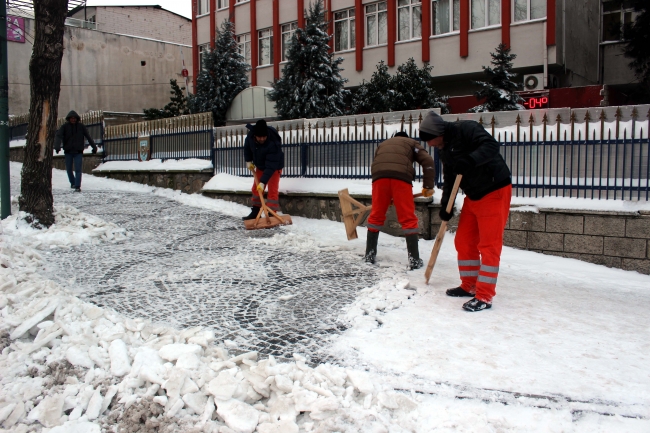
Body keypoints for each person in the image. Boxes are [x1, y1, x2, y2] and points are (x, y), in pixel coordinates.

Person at [419, 111, 512, 312]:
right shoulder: (444, 149)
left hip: (494, 189)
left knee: (489, 245)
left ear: (439, 132)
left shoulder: (467, 129)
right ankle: (469, 285)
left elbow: (491, 146)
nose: (431, 145)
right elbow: (451, 179)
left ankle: (485, 295)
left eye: (431, 140)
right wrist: (446, 207)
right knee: (464, 241)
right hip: (474, 194)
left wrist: (470, 159)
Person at [365, 131, 436, 270]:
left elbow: (380, 162)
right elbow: (428, 161)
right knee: (408, 217)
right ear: (406, 138)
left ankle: (369, 255)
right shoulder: (411, 143)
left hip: (379, 178)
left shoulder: (383, 144)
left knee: (376, 215)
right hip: (401, 179)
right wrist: (428, 186)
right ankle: (414, 260)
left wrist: (388, 196)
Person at [242, 119, 285, 220]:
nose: (261, 139)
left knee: (272, 190)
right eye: (259, 137)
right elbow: (247, 148)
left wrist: (263, 182)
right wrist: (248, 161)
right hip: (260, 166)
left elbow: (271, 166)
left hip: (274, 167)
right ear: (255, 135)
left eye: (263, 137)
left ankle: (271, 214)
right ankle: (256, 211)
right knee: (256, 189)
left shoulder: (273, 143)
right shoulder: (250, 137)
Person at [54, 111, 98, 192]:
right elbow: (58, 135)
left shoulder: (81, 127)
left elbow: (88, 136)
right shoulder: (64, 127)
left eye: (74, 118)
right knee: (69, 169)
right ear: (69, 119)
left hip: (78, 151)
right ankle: (73, 182)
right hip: (68, 151)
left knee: (78, 169)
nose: (73, 120)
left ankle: (77, 185)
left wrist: (94, 147)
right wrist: (57, 147)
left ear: (77, 119)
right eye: (71, 118)